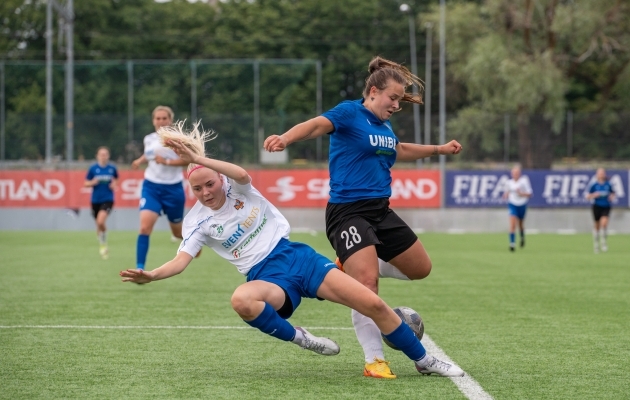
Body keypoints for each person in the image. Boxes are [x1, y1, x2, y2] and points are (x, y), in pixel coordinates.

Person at [119, 121, 464, 378]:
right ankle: (303, 339)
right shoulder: (196, 221)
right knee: (241, 300)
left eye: (209, 184)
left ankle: (424, 360)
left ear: (219, 180)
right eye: (197, 189)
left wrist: (201, 158)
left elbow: (238, 171)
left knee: (372, 302)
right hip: (268, 277)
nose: (206, 193)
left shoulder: (241, 188)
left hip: (300, 258)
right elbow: (180, 261)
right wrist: (151, 275)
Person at [263, 56, 462, 379]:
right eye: (393, 98)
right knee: (367, 285)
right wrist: (286, 138)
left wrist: (439, 150)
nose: (397, 105)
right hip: (348, 213)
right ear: (373, 91)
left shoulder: (383, 125)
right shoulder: (348, 112)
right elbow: (315, 125)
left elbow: (399, 149)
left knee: (420, 268)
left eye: (399, 99)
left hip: (380, 211)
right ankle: (374, 360)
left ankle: (349, 265)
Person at [131, 106, 188, 270]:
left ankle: (194, 245)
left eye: (164, 118)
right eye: (158, 118)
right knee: (144, 227)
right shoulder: (148, 138)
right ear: (153, 120)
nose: (161, 121)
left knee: (178, 233)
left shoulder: (178, 139)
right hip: (151, 187)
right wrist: (139, 160)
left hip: (173, 189)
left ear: (170, 120)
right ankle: (140, 269)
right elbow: (150, 154)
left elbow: (188, 160)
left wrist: (167, 162)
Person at [84, 146, 118, 260]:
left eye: (105, 154)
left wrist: (114, 184)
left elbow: (116, 179)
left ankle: (103, 243)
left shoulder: (112, 168)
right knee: (98, 225)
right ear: (97, 156)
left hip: (108, 199)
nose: (103, 156)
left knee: (100, 221)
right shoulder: (93, 168)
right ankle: (103, 245)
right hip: (95, 200)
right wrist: (92, 182)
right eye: (101, 154)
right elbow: (86, 183)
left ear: (108, 156)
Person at [502, 166, 533, 252]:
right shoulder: (509, 183)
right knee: (512, 224)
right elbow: (507, 192)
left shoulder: (524, 181)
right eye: (514, 173)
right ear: (512, 174)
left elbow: (530, 194)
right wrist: (505, 195)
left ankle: (522, 237)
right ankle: (512, 244)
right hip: (512, 204)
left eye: (517, 173)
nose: (515, 174)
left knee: (520, 225)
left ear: (519, 174)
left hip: (522, 204)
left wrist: (521, 193)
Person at [586, 168, 615, 253]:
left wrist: (611, 197)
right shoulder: (593, 185)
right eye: (599, 173)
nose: (601, 175)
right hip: (596, 206)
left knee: (604, 224)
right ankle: (596, 244)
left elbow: (613, 193)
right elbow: (587, 196)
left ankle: (603, 242)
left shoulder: (608, 184)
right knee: (597, 225)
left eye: (602, 173)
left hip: (606, 206)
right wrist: (594, 195)